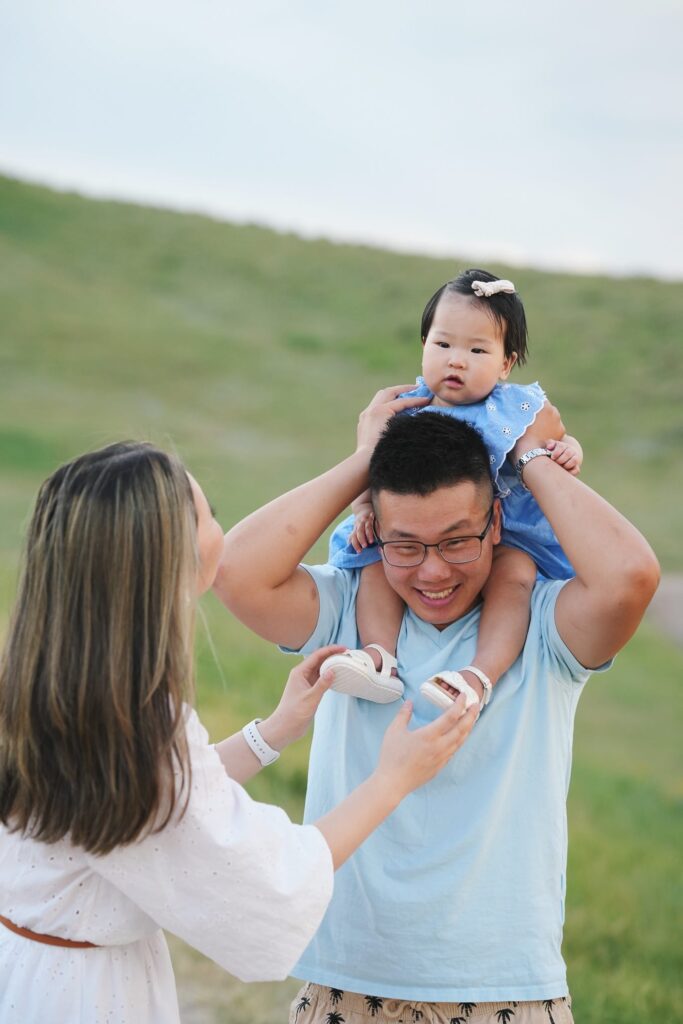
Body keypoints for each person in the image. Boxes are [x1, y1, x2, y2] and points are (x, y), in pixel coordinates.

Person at [215, 388, 659, 1023]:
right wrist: (367, 459)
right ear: (374, 536)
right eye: (405, 546)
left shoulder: (543, 625)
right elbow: (235, 571)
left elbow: (631, 578)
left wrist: (526, 448)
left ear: (496, 523)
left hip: (507, 991)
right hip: (345, 982)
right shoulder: (348, 609)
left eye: (456, 542)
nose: (432, 573)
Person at [0, 441, 478, 1024]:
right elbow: (271, 877)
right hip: (83, 997)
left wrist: (273, 731)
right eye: (211, 516)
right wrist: (393, 779)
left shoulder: (45, 684)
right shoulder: (130, 721)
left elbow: (140, 805)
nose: (220, 534)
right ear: (165, 558)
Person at [323, 269, 584, 713]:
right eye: (443, 345)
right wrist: (363, 508)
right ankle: (379, 656)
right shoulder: (406, 409)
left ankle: (479, 674)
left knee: (514, 576)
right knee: (377, 562)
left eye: (477, 350)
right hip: (417, 533)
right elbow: (376, 471)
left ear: (506, 363)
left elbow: (557, 436)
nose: (456, 361)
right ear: (424, 344)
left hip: (508, 534)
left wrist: (570, 450)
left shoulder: (514, 407)